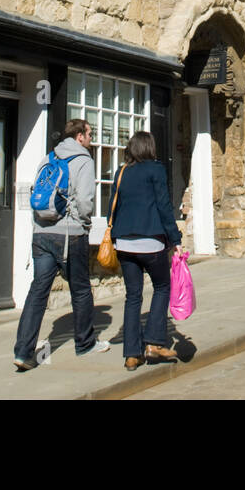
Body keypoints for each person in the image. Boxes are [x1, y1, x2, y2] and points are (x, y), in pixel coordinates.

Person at [13, 119, 111, 371]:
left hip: (41, 234)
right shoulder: (83, 160)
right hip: (70, 235)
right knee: (80, 290)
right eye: (90, 134)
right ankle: (85, 343)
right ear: (79, 136)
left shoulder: (48, 157)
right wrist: (84, 223)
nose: (91, 139)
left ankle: (23, 352)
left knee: (38, 292)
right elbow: (86, 200)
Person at [109, 131, 183, 371]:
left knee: (133, 296)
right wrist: (176, 238)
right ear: (150, 148)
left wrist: (114, 238)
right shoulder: (156, 169)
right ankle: (153, 342)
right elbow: (163, 205)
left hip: (124, 242)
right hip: (150, 240)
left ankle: (131, 354)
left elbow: (114, 206)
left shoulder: (122, 172)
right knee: (162, 287)